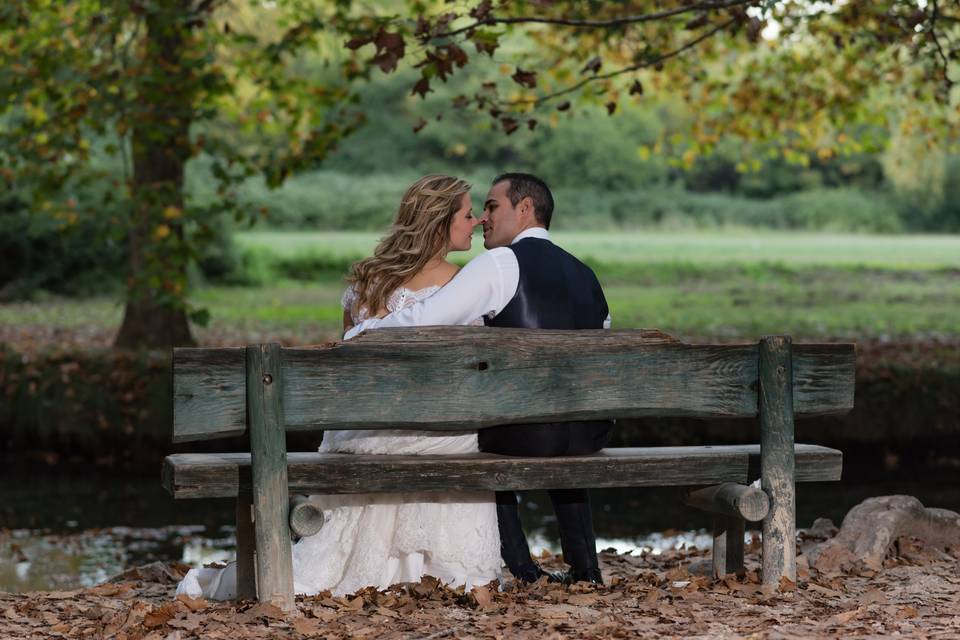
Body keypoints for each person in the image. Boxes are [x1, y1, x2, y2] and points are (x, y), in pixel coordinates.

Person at [177, 174, 501, 599]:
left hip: (364, 436)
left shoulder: (368, 282)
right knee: (459, 439)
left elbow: (346, 381)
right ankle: (444, 575)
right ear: (440, 224)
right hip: (436, 437)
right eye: (467, 213)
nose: (475, 222)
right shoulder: (464, 285)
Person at [346, 172, 612, 585]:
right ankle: (586, 568)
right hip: (588, 435)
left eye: (492, 206)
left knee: (483, 430)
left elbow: (424, 321)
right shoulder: (586, 275)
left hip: (521, 434)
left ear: (524, 209)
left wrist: (361, 333)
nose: (484, 218)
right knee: (557, 426)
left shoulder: (500, 263)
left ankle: (524, 571)